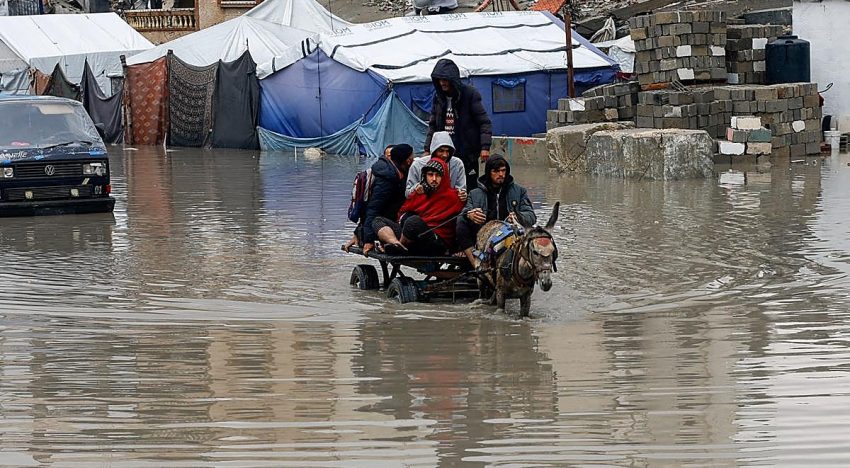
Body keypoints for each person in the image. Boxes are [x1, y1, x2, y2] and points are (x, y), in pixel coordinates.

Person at [424, 58, 492, 190]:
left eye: (445, 79)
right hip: (443, 150)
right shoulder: (438, 97)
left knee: (469, 185)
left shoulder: (470, 94)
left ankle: (471, 209)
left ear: (453, 79)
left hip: (467, 151)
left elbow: (484, 122)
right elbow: (432, 124)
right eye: (439, 79)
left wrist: (485, 147)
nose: (442, 83)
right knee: (442, 184)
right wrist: (427, 149)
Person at [456, 155, 536, 267]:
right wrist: (471, 215)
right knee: (461, 222)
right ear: (489, 172)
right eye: (496, 171)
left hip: (511, 237)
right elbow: (465, 212)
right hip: (483, 236)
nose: (501, 174)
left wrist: (518, 217)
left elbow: (531, 216)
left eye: (503, 171)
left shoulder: (519, 191)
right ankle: (476, 264)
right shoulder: (475, 193)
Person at [373, 158, 464, 256]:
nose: (434, 179)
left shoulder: (455, 197)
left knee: (413, 222)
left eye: (437, 175)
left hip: (436, 241)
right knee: (378, 221)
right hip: (412, 237)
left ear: (444, 177)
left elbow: (461, 221)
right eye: (430, 175)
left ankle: (400, 247)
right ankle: (396, 243)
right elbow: (403, 212)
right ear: (425, 176)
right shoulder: (420, 193)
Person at [344, 144, 415, 254]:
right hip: (383, 224)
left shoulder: (398, 173)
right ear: (408, 161)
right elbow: (373, 208)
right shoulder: (387, 178)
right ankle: (394, 243)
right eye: (412, 158)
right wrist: (368, 239)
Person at [406, 131, 466, 200]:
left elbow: (461, 190)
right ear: (434, 151)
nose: (445, 155)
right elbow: (407, 194)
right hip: (424, 205)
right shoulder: (418, 165)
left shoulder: (457, 164)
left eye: (447, 151)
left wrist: (462, 194)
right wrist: (416, 189)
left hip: (448, 204)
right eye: (441, 151)